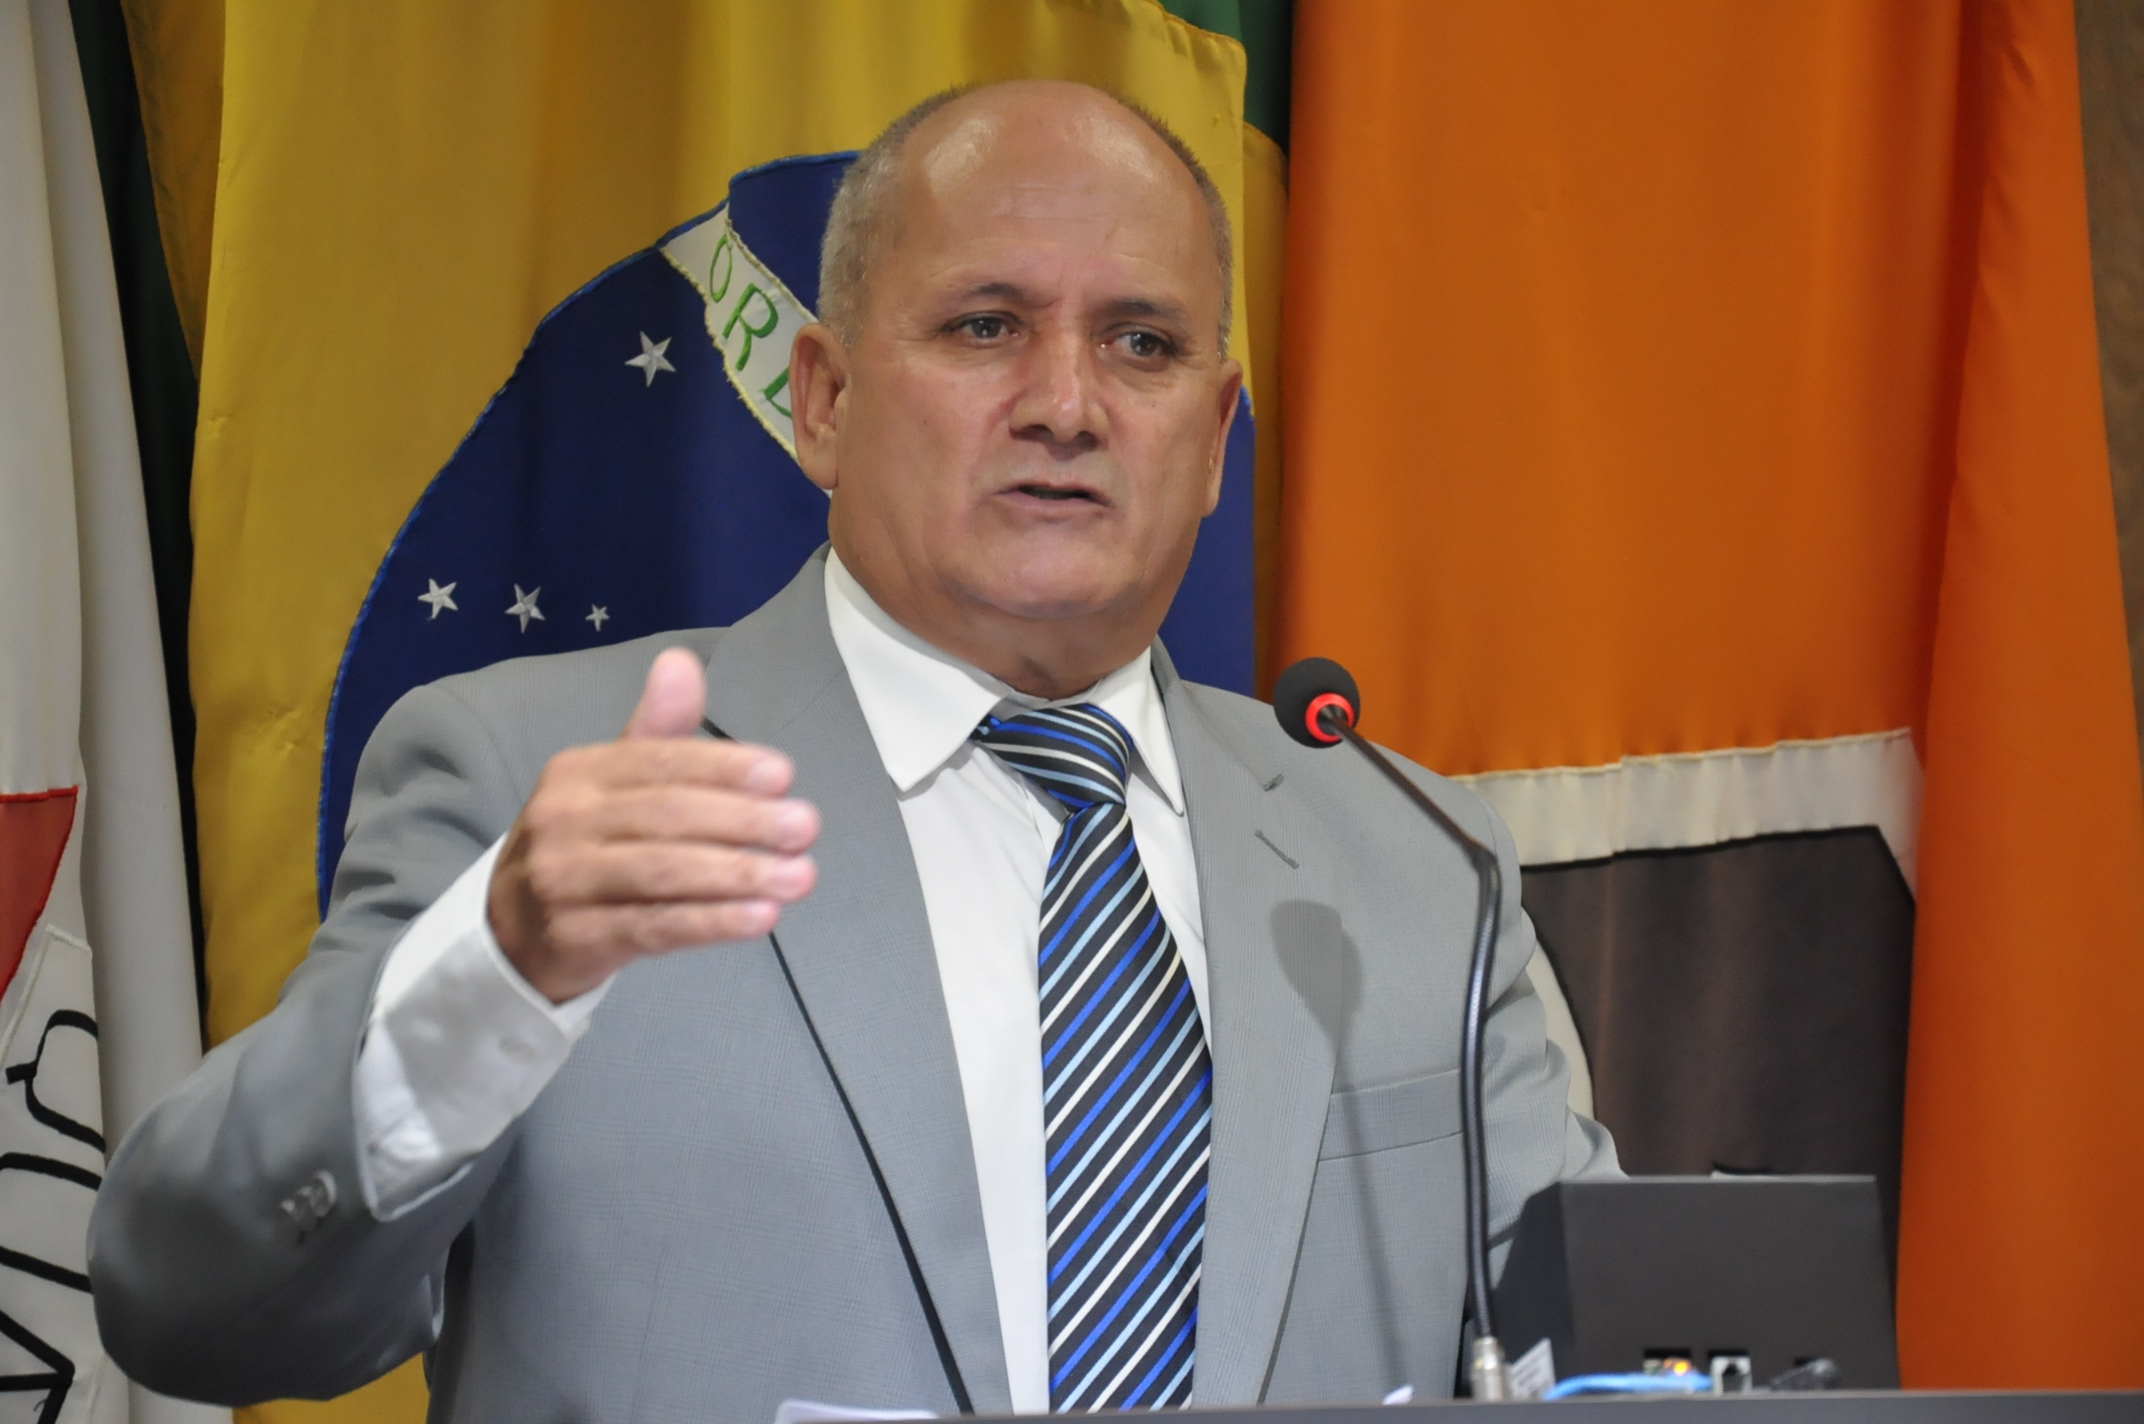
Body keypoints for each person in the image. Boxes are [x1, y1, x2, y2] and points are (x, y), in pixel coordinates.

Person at [88, 80, 1615, 1420]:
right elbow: (193, 1310)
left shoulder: (1415, 860)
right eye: (985, 327)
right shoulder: (535, 791)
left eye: (1141, 344)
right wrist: (487, 979)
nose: (1067, 405)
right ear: (821, 400)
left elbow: (1608, 1354)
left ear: (1216, 442)